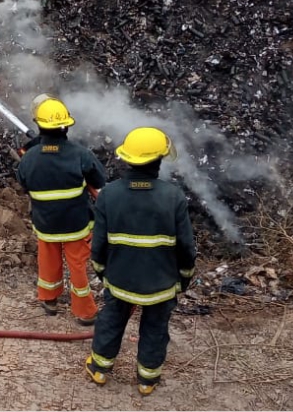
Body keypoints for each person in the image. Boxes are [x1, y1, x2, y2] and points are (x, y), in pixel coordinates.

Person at [85, 127, 197, 396]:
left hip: (120, 281)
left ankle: (99, 369)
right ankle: (147, 380)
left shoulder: (109, 195)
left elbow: (98, 244)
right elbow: (186, 247)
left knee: (111, 321)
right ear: (158, 161)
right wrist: (183, 277)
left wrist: (103, 273)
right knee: (155, 329)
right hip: (161, 284)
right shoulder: (173, 197)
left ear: (127, 159)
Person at [16, 94, 108, 325]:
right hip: (75, 225)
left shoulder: (28, 159)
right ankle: (85, 312)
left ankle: (49, 299)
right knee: (77, 267)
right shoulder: (80, 154)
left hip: (45, 224)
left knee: (48, 261)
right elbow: (99, 180)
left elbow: (24, 184)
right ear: (66, 126)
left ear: (39, 126)